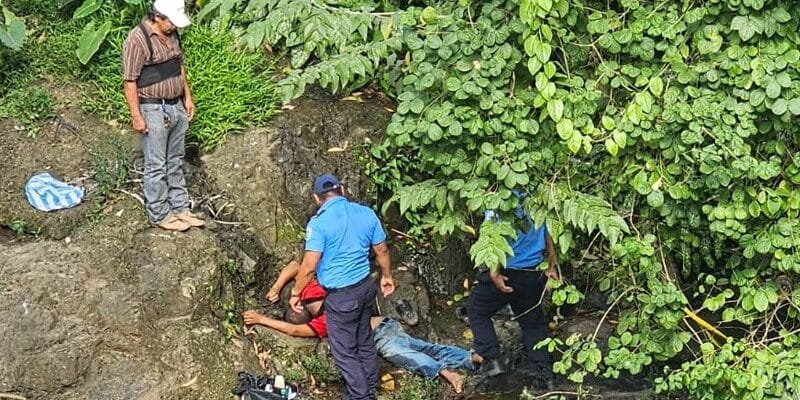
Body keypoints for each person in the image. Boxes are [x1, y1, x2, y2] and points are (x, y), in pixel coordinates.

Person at [242, 261, 481, 394]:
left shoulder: (314, 292)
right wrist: (264, 314)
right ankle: (470, 357)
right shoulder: (321, 308)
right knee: (424, 347)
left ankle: (445, 372)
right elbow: (292, 329)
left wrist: (275, 291)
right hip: (386, 326)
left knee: (408, 355)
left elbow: (295, 266)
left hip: (381, 335)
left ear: (298, 306)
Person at [290, 174, 395, 400]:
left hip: (341, 297)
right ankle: (367, 389)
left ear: (317, 198)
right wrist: (387, 276)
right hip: (366, 288)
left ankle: (361, 396)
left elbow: (308, 266)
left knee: (345, 353)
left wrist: (296, 293)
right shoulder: (366, 213)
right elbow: (382, 251)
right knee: (364, 340)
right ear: (343, 191)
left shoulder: (319, 224)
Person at [122, 0, 204, 232]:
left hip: (175, 105)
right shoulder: (137, 40)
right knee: (156, 165)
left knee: (175, 160)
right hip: (153, 108)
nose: (174, 27)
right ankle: (160, 213)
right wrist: (136, 116)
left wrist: (187, 97)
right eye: (170, 22)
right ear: (157, 17)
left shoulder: (173, 34)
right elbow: (129, 81)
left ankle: (180, 208)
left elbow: (178, 67)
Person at [466, 201, 560, 390]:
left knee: (476, 309)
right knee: (532, 323)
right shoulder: (539, 197)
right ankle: (545, 377)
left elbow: (494, 235)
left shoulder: (500, 199)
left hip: (508, 270)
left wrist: (494, 272)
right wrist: (552, 263)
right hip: (534, 271)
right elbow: (549, 228)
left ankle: (491, 361)